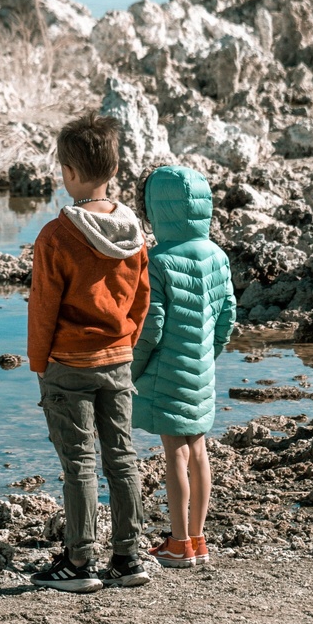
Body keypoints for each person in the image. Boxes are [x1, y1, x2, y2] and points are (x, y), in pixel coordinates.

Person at [26, 111, 152, 593]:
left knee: (78, 462)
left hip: (68, 365)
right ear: (115, 171)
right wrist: (125, 343)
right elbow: (142, 297)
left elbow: (43, 310)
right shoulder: (133, 233)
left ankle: (80, 563)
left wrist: (40, 364)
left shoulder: (57, 236)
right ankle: (128, 556)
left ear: (69, 173)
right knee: (122, 455)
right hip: (118, 359)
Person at [130, 164, 235, 568]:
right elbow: (227, 316)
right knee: (199, 451)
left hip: (165, 373)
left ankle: (176, 543)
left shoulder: (157, 260)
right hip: (201, 369)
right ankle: (198, 539)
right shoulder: (218, 255)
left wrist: (131, 370)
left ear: (156, 210)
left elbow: (151, 327)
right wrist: (209, 357)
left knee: (174, 452)